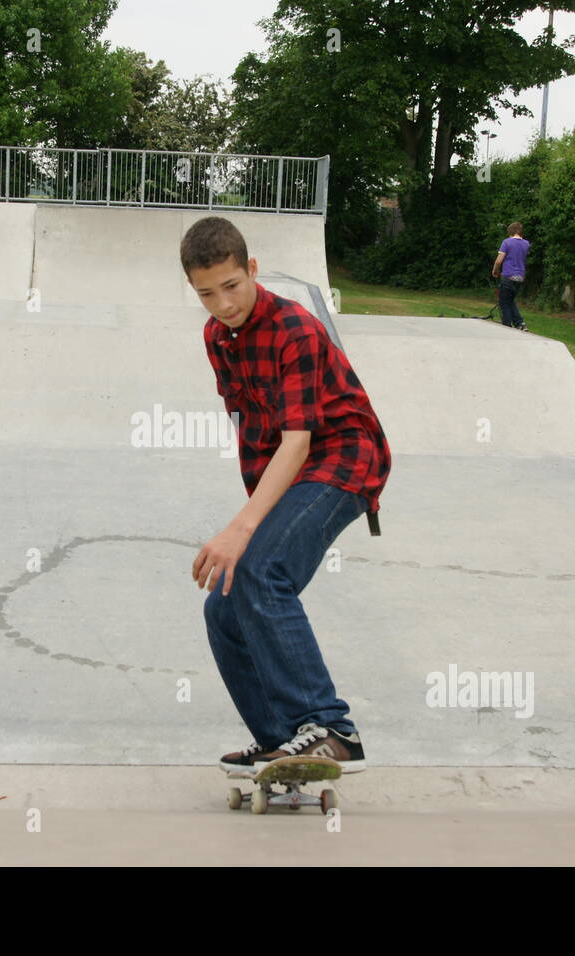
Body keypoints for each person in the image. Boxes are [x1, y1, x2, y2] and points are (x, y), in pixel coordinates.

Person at [180, 215, 391, 777]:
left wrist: (243, 531)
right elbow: (253, 430)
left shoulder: (294, 328)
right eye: (206, 293)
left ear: (251, 270)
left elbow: (298, 441)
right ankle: (283, 743)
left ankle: (331, 729)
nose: (222, 304)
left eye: (232, 285)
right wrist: (256, 518)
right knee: (224, 608)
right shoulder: (216, 337)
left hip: (345, 456)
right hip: (295, 470)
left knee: (258, 572)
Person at [492, 222, 530, 330]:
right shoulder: (526, 244)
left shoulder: (507, 242)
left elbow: (499, 261)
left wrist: (495, 271)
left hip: (508, 275)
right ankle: (520, 323)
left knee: (503, 302)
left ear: (510, 232)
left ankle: (507, 326)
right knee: (510, 300)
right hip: (520, 277)